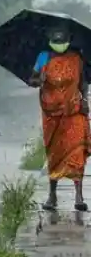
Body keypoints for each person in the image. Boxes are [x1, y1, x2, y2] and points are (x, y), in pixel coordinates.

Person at [28, 24, 90, 211]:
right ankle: (52, 195)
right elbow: (32, 80)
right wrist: (40, 80)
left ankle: (79, 196)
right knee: (54, 153)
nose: (59, 45)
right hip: (51, 113)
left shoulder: (76, 58)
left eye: (62, 41)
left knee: (76, 152)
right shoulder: (43, 57)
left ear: (69, 41)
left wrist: (85, 99)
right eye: (55, 42)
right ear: (49, 41)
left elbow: (83, 82)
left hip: (74, 111)